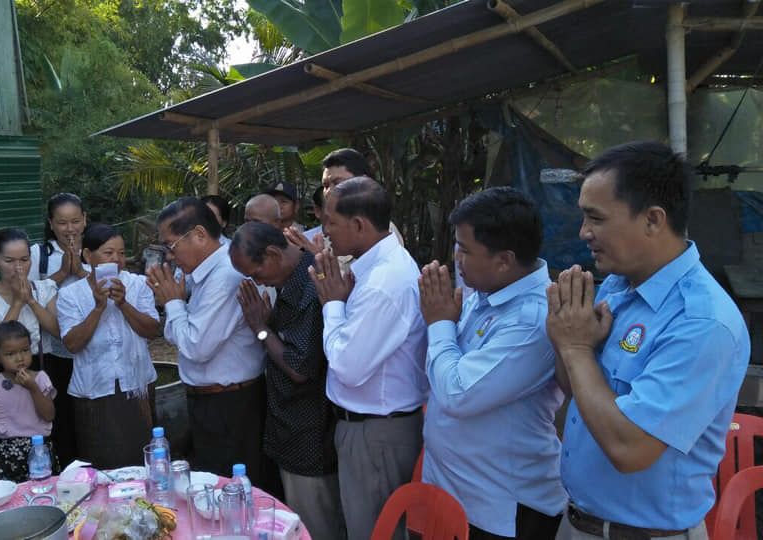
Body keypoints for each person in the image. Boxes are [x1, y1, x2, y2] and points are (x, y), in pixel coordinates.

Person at [548, 142, 750, 539]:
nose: (583, 232)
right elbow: (575, 388)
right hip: (576, 522)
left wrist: (575, 347)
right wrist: (566, 341)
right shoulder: (617, 287)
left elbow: (630, 449)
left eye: (596, 218)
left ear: (653, 220)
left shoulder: (701, 321)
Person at [419, 187, 566, 539]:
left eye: (465, 250)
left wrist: (439, 324)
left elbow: (457, 393)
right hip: (458, 494)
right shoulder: (486, 291)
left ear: (504, 260)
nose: (456, 258)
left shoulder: (532, 320)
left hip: (501, 510)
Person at [308, 177, 428, 539]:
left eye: (330, 222)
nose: (325, 231)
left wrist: (332, 306)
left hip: (376, 433)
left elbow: (348, 367)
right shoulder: (376, 269)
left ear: (359, 225)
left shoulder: (383, 283)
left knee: (374, 530)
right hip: (372, 430)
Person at [230, 222, 345, 540]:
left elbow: (298, 367)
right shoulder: (293, 279)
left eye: (256, 273)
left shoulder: (308, 286)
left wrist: (260, 328)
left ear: (272, 254)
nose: (257, 283)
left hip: (308, 436)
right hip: (291, 430)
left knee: (314, 526)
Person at [146, 198, 266, 483]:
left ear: (199, 234)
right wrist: (177, 308)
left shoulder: (225, 275)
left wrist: (173, 303)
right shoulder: (202, 274)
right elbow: (177, 335)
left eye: (172, 245)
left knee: (231, 490)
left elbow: (195, 347)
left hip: (230, 405)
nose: (170, 256)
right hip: (212, 402)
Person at [57, 224, 159, 468]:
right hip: (93, 390)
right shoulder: (70, 294)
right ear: (87, 255)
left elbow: (152, 330)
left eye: (121, 253)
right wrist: (98, 308)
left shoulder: (138, 284)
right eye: (108, 253)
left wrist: (123, 304)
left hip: (137, 386)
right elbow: (72, 344)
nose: (117, 260)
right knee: (101, 463)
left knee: (141, 458)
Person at [28, 192, 88, 464]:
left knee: (89, 415)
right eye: (62, 223)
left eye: (75, 221)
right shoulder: (38, 255)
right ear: (51, 224)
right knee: (62, 417)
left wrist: (83, 271)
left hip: (90, 348)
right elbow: (27, 293)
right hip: (54, 352)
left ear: (85, 220)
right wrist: (63, 273)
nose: (70, 229)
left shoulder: (96, 249)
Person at [0, 321, 58, 482]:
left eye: (25, 350)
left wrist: (33, 388)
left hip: (39, 454)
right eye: (10, 354)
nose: (20, 358)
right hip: (6, 458)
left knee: (42, 493)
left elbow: (49, 415)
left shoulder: (40, 378)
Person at [0, 228, 60, 376]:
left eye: (24, 260)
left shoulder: (45, 288)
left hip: (41, 367)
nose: (18, 267)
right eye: (9, 261)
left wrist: (31, 301)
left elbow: (58, 331)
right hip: (3, 373)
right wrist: (17, 303)